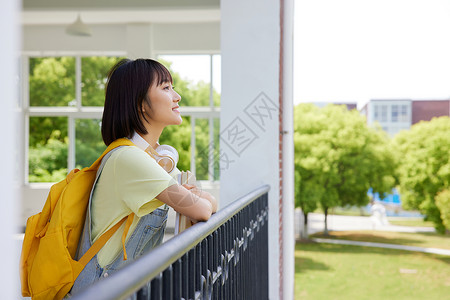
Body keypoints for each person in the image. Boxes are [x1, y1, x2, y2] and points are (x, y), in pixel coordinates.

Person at [70, 58, 217, 295]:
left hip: (120, 288)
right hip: (103, 291)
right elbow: (200, 208)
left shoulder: (151, 159)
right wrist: (203, 200)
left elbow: (204, 200)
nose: (177, 96)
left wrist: (203, 200)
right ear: (141, 104)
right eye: (166, 88)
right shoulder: (129, 159)